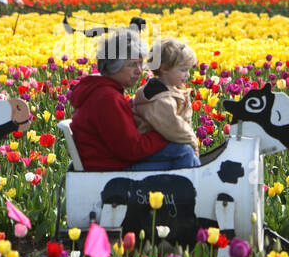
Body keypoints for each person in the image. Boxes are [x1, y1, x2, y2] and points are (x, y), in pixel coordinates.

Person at [69, 28, 200, 171]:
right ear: (113, 67)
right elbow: (132, 150)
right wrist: (166, 133)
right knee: (184, 152)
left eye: (140, 63)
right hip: (110, 169)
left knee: (182, 150)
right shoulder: (107, 98)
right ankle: (189, 192)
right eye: (132, 65)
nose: (139, 70)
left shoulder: (101, 91)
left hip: (109, 162)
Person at [133, 37, 201, 160]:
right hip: (152, 148)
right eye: (183, 70)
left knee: (187, 152)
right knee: (187, 153)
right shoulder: (160, 99)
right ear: (164, 68)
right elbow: (174, 128)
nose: (187, 74)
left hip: (164, 143)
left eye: (188, 69)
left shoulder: (172, 89)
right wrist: (193, 144)